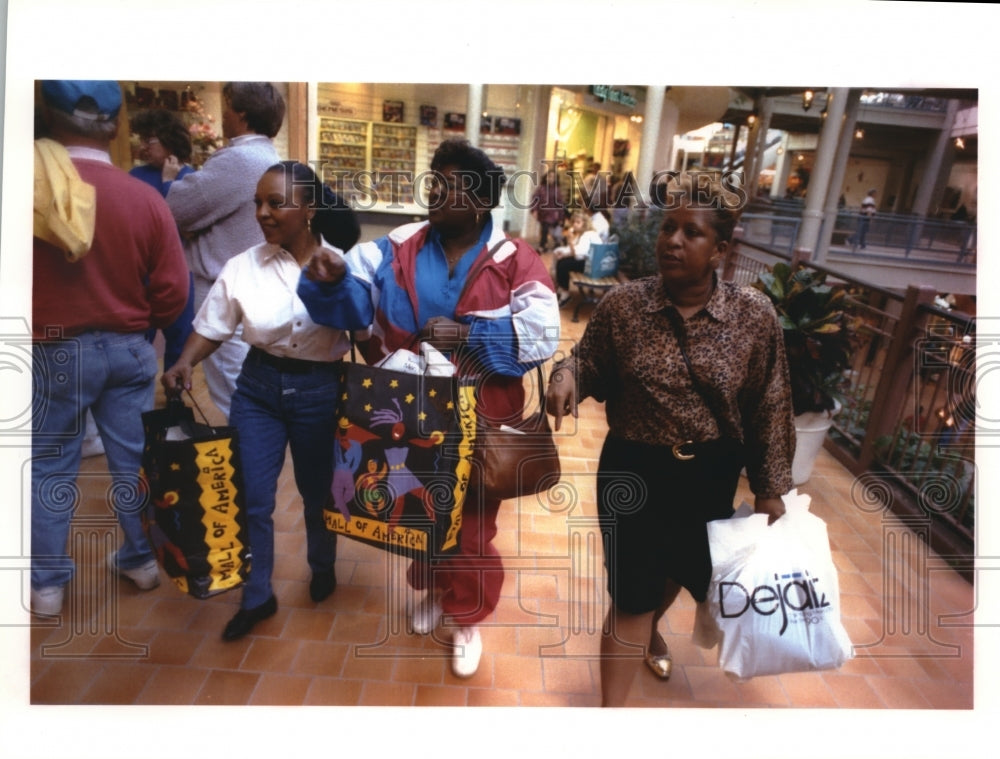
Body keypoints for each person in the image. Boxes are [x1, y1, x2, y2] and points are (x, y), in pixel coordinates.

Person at [297, 138, 560, 678]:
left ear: (482, 201)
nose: (435, 191)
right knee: (422, 512)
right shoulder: (392, 247)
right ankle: (443, 593)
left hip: (480, 420)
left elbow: (542, 335)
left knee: (471, 525)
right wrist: (330, 279)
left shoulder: (516, 260)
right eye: (434, 180)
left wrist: (468, 334)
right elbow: (353, 303)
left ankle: (468, 617)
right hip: (407, 411)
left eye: (451, 183)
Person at [545, 174, 795, 707]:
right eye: (668, 228)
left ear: (720, 250)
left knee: (682, 570)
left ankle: (651, 628)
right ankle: (613, 714)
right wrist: (568, 375)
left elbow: (769, 404)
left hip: (709, 473)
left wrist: (772, 487)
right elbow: (590, 362)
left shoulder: (753, 318)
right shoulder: (624, 307)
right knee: (631, 591)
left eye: (692, 233)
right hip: (633, 468)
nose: (673, 241)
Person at [162, 161, 359, 640]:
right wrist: (185, 361)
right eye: (258, 203)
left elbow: (365, 328)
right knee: (251, 496)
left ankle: (322, 564)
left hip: (319, 389)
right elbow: (212, 325)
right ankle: (257, 596)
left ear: (308, 209)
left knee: (317, 494)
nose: (262, 213)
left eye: (276, 203)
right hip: (259, 388)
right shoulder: (242, 265)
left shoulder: (339, 264)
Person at [31, 80, 190, 616]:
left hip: (53, 348)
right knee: (133, 461)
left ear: (45, 115)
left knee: (50, 465)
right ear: (118, 127)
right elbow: (172, 289)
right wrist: (147, 327)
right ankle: (142, 560)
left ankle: (47, 585)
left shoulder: (29, 190)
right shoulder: (143, 198)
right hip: (128, 347)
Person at [165, 82, 285, 420]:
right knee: (245, 386)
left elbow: (176, 208)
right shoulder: (271, 158)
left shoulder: (238, 160)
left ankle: (254, 466)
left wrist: (171, 180)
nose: (223, 115)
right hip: (255, 286)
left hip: (227, 291)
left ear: (241, 114)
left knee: (237, 394)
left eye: (227, 107)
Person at [129, 109, 197, 370]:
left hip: (178, 270)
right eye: (141, 139)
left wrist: (169, 182)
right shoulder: (135, 175)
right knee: (137, 336)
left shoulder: (190, 178)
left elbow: (189, 228)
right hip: (139, 270)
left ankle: (175, 397)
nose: (142, 146)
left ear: (170, 140)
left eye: (150, 140)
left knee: (180, 338)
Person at [552, 209, 603, 307]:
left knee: (563, 264)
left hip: (592, 266)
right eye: (574, 222)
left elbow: (577, 255)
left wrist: (570, 240)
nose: (575, 225)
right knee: (562, 260)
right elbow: (579, 253)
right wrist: (565, 253)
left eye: (578, 222)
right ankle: (562, 289)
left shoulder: (588, 234)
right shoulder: (585, 233)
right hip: (592, 263)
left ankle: (565, 293)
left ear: (584, 223)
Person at [530, 168, 565, 252]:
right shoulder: (541, 188)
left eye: (553, 177)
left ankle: (545, 245)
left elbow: (560, 203)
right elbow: (535, 199)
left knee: (550, 230)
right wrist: (535, 210)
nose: (551, 178)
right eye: (549, 176)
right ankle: (548, 244)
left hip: (553, 213)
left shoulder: (557, 190)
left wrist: (561, 217)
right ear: (546, 177)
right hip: (543, 213)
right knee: (546, 229)